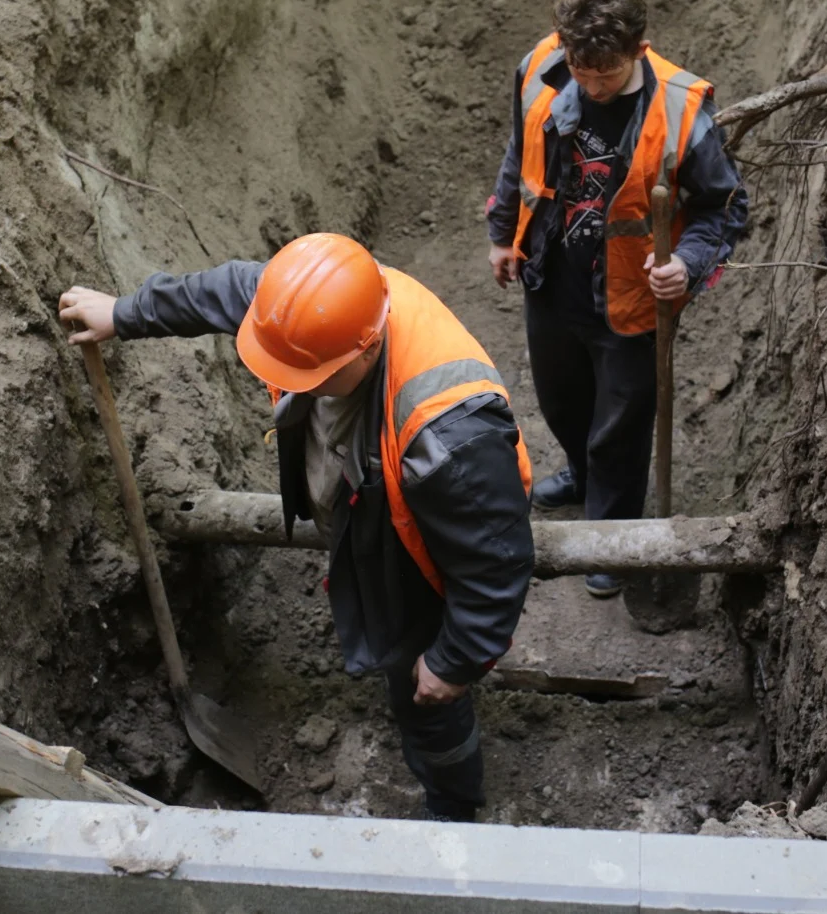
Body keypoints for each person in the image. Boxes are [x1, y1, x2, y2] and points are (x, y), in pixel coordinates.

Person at [59, 232, 534, 823]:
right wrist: (125, 314)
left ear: (364, 349)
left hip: (422, 550)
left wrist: (455, 663)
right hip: (379, 499)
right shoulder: (317, 304)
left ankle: (453, 802)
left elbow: (497, 564)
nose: (291, 379)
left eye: (308, 373)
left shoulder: (449, 441)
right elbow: (231, 290)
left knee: (422, 692)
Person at [484, 0, 750, 599]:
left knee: (621, 427)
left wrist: (686, 261)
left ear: (639, 48)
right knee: (561, 401)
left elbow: (725, 207)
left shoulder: (682, 108)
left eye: (607, 73)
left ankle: (611, 535)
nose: (593, 84)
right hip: (552, 276)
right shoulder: (541, 68)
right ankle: (581, 476)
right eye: (582, 70)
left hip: (632, 294)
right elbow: (517, 152)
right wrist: (503, 234)